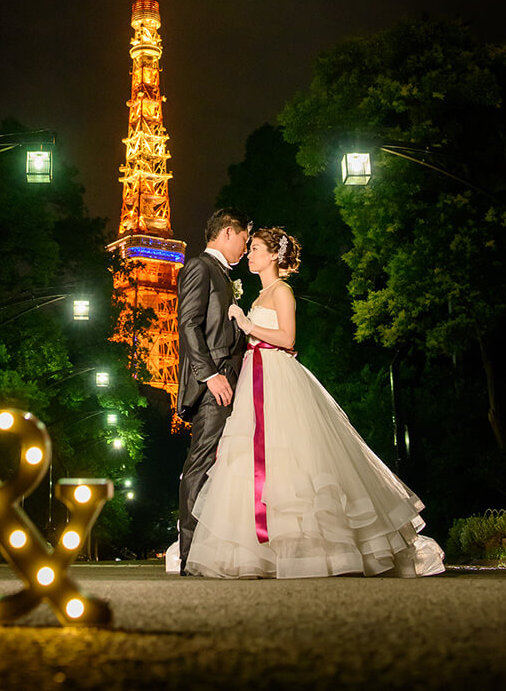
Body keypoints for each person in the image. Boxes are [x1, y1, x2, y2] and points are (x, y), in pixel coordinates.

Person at [186, 226, 445, 579]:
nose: (250, 253)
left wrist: (247, 325)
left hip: (277, 374)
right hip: (255, 376)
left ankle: (319, 550)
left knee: (295, 455)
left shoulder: (282, 292)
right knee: (255, 457)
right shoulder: (259, 296)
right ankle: (268, 550)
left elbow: (288, 337)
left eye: (257, 248)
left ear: (274, 256)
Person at [176, 207, 252, 574]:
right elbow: (188, 324)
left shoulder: (222, 274)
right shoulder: (199, 267)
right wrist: (209, 375)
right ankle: (191, 555)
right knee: (202, 463)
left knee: (221, 465)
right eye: (243, 238)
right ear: (226, 233)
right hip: (215, 384)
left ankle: (212, 548)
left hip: (231, 379)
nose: (246, 246)